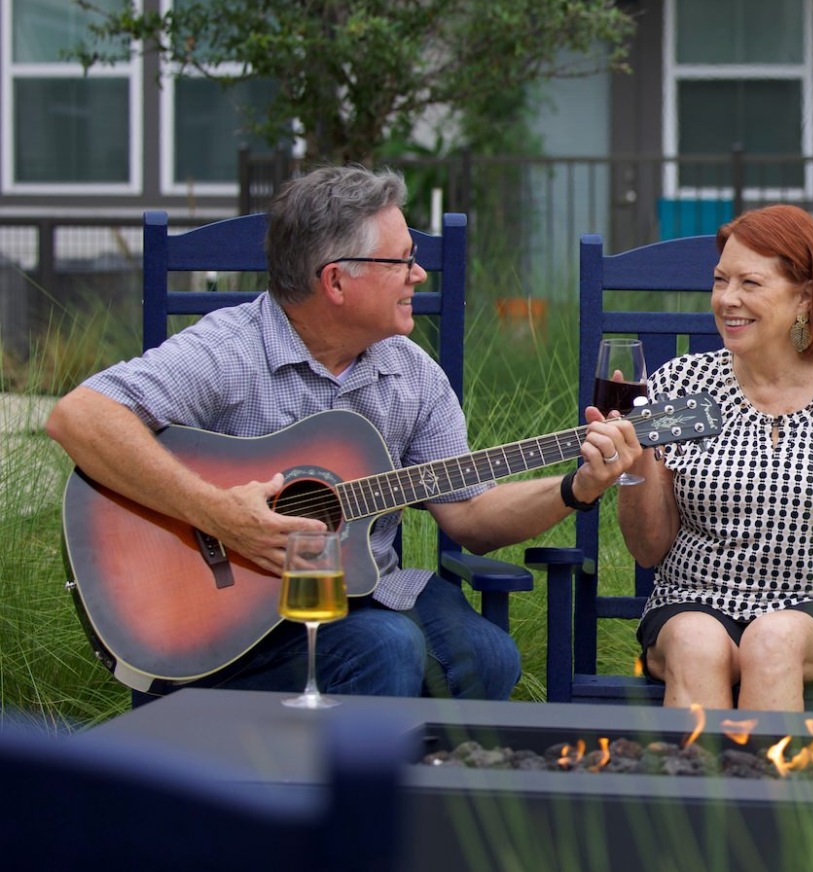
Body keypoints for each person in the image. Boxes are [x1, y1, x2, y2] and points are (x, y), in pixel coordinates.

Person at [45, 165, 642, 700]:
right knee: (386, 649)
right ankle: (329, 810)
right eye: (403, 259)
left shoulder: (411, 373)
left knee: (488, 657)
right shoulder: (229, 349)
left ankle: (399, 806)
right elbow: (78, 416)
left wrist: (576, 487)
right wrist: (219, 514)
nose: (419, 272)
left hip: (364, 592)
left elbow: (471, 519)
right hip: (229, 619)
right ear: (335, 282)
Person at [615, 204, 813, 711]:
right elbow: (648, 549)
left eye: (750, 284)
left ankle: (761, 790)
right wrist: (635, 467)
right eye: (720, 281)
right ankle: (692, 788)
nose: (727, 300)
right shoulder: (680, 386)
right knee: (698, 646)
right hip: (693, 599)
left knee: (772, 641)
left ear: (804, 296)